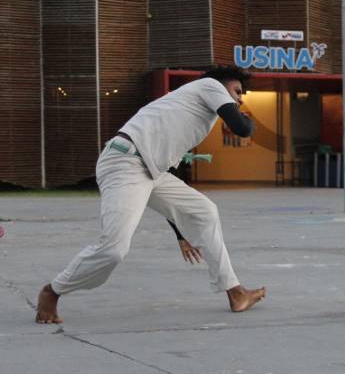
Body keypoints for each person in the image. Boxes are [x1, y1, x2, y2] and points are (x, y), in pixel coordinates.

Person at [36, 65, 266, 324]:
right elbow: (242, 128)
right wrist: (248, 119)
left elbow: (164, 173)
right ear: (220, 85)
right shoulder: (209, 86)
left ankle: (235, 292)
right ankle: (53, 291)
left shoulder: (192, 109)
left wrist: (180, 233)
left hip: (151, 170)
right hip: (125, 161)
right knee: (114, 249)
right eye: (237, 91)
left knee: (204, 212)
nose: (239, 98)